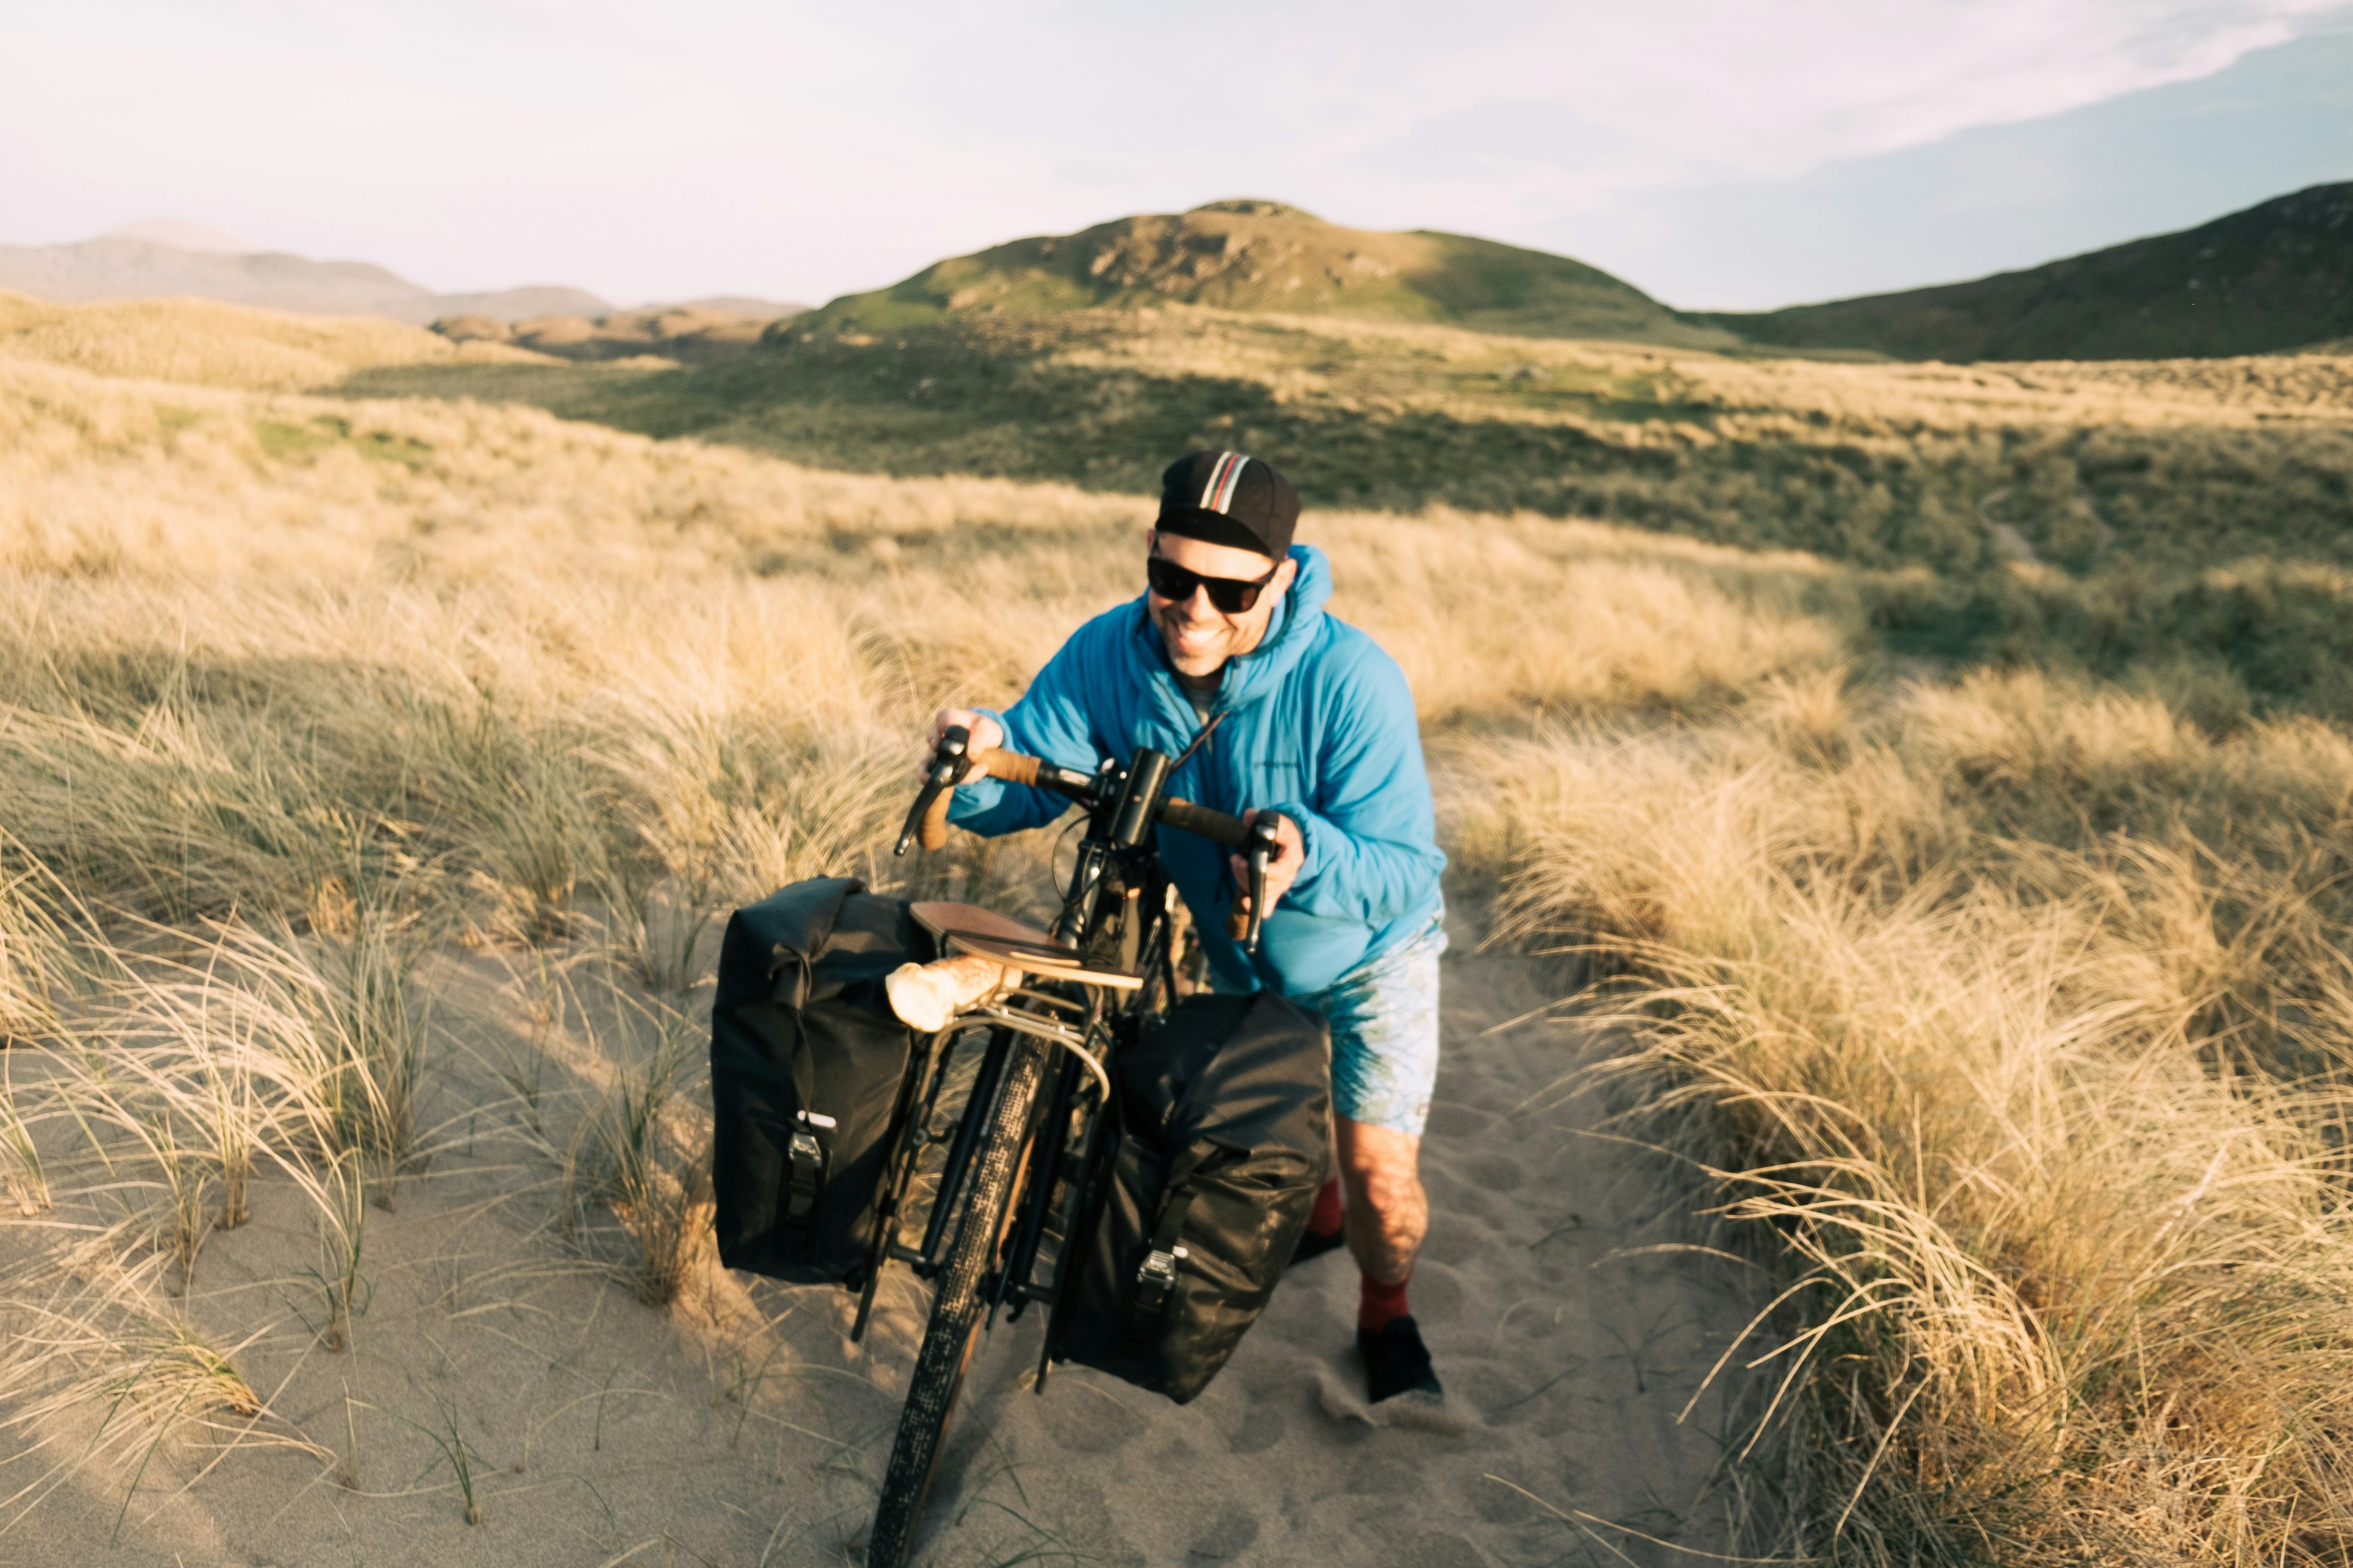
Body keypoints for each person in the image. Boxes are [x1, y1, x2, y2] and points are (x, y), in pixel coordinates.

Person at [926, 449, 1449, 1403]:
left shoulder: (1353, 681)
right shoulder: (1110, 653)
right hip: (1244, 962)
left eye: (1231, 589)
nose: (1196, 608)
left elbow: (1409, 870)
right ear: (1149, 557)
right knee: (1247, 1136)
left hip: (1372, 957)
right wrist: (978, 759)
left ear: (1282, 580)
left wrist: (1312, 853)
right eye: (1173, 577)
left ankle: (1386, 1306)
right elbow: (1031, 760)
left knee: (1379, 1184)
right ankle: (1317, 1205)